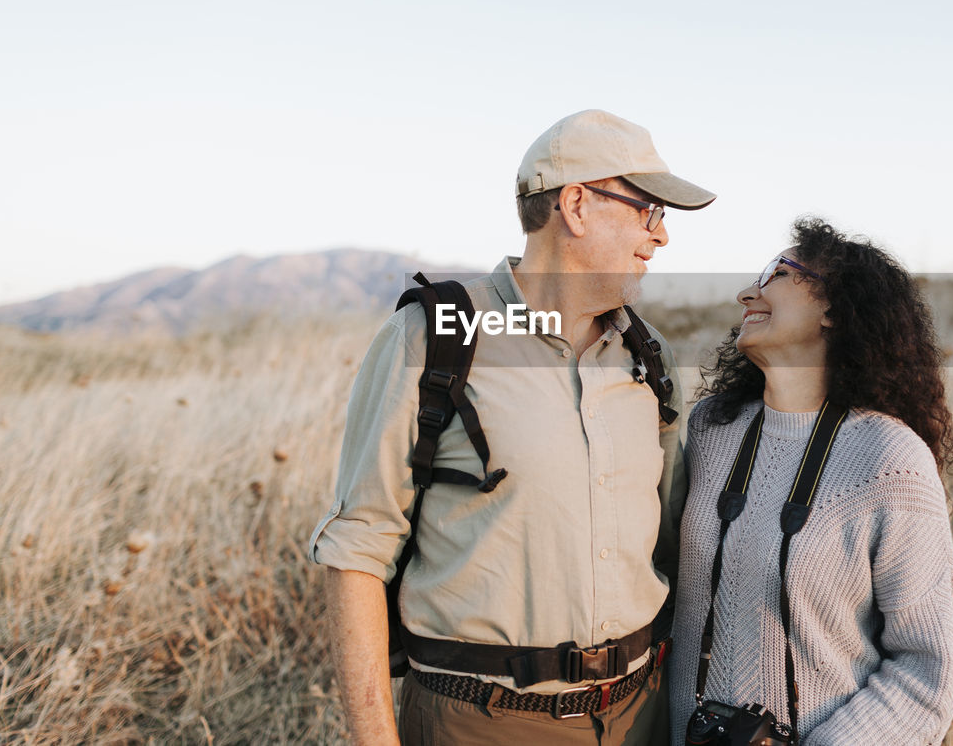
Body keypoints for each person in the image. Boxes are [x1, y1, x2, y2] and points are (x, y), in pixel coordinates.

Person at [307, 109, 716, 745]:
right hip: (480, 723)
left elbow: (670, 539)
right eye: (649, 211)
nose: (661, 237)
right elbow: (359, 545)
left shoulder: (649, 354)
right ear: (576, 205)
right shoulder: (435, 336)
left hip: (641, 715)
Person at [670, 217, 953, 745]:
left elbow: (924, 674)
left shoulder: (890, 461)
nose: (747, 292)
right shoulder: (712, 429)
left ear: (833, 308)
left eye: (778, 274)